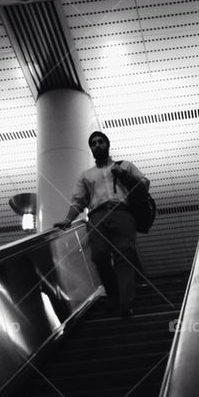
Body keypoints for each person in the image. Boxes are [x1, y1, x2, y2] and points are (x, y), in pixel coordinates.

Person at [55, 131, 150, 318]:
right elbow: (78, 200)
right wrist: (68, 219)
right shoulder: (87, 175)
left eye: (100, 142)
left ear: (108, 144)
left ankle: (125, 304)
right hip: (97, 216)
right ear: (91, 149)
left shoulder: (125, 165)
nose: (97, 145)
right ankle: (115, 297)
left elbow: (144, 185)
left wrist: (123, 174)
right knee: (99, 256)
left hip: (122, 213)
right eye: (93, 144)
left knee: (124, 255)